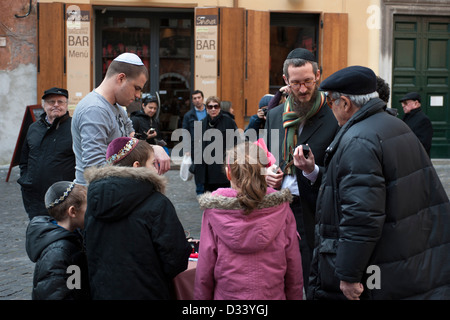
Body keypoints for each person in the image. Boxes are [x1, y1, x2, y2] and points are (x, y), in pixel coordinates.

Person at [309, 65, 450, 300]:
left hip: (383, 264)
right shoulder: (393, 124)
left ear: (345, 103)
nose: (330, 107)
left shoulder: (359, 141)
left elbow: (362, 216)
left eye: (331, 101)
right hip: (408, 257)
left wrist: (349, 274)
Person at [264, 48, 339, 294]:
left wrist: (312, 170)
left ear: (317, 76)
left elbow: (343, 170)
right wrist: (268, 175)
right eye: (296, 83)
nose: (304, 89)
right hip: (276, 208)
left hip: (313, 210)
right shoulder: (275, 115)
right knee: (277, 276)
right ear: (286, 81)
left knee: (310, 277)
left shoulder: (334, 116)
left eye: (308, 81)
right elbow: (269, 157)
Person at [83, 137, 191, 299]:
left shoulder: (93, 201)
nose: (157, 169)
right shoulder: (157, 203)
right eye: (153, 163)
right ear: (137, 166)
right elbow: (176, 259)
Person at [194, 142, 303, 300]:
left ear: (228, 173)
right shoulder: (282, 208)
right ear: (264, 173)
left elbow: (204, 270)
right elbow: (294, 269)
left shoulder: (214, 211)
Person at [71, 53, 170, 186]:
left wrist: (153, 148)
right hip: (97, 196)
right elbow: (95, 170)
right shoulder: (94, 109)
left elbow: (131, 141)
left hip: (112, 190)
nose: (138, 95)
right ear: (121, 78)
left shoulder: (117, 107)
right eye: (137, 88)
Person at [25, 181, 90, 300]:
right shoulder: (58, 253)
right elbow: (56, 293)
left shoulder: (72, 237)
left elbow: (74, 285)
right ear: (73, 211)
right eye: (88, 207)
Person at [18, 87, 75, 220]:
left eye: (60, 102)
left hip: (63, 198)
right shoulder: (33, 128)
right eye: (51, 101)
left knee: (63, 236)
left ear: (66, 105)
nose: (56, 105)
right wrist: (27, 180)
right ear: (44, 106)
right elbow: (24, 160)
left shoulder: (75, 128)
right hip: (35, 198)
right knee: (39, 233)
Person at [194, 96, 238, 192]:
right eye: (210, 107)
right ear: (206, 108)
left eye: (216, 106)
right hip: (206, 171)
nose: (213, 109)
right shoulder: (201, 124)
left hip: (222, 168)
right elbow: (196, 146)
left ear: (219, 108)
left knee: (224, 197)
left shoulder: (228, 122)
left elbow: (234, 144)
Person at [182, 90, 208, 195]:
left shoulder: (210, 111)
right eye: (195, 98)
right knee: (198, 170)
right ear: (192, 101)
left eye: (199, 97)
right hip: (195, 147)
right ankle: (200, 192)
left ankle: (209, 189)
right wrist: (187, 149)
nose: (197, 100)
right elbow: (185, 133)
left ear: (202, 98)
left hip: (210, 145)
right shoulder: (189, 115)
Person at [400, 92, 433, 157]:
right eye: (402, 103)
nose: (403, 105)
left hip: (416, 160)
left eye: (405, 103)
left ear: (416, 103)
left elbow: (423, 145)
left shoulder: (423, 120)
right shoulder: (406, 117)